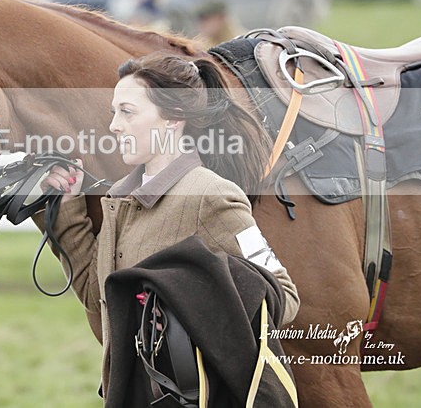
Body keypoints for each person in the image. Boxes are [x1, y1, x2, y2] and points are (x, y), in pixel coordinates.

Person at [35, 54, 300, 401]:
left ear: (172, 118)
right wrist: (66, 206)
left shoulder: (212, 195)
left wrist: (181, 300)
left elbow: (284, 295)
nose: (114, 125)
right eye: (114, 112)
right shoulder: (120, 197)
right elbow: (98, 295)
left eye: (127, 112)